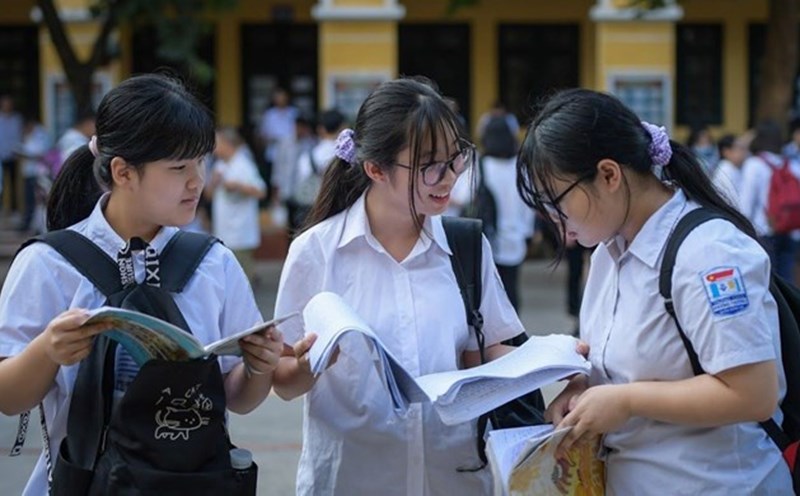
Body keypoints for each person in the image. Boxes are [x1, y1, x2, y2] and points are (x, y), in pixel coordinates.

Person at [0, 74, 284, 496]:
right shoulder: (48, 263)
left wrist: (260, 366)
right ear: (123, 172)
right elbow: (8, 398)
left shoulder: (214, 262)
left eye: (201, 162)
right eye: (178, 168)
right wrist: (47, 351)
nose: (197, 181)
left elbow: (237, 398)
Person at [516, 88, 792, 494]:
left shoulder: (709, 254)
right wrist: (583, 388)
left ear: (609, 175)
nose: (553, 219)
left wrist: (626, 401)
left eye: (555, 201)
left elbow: (753, 394)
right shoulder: (609, 251)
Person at [271, 77, 525, 495]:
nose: (449, 177)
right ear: (375, 169)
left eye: (456, 158)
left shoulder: (465, 247)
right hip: (352, 481)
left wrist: (551, 364)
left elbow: (484, 352)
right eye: (430, 165)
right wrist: (304, 367)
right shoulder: (317, 252)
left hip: (451, 478)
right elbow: (283, 380)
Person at [477, 110, 533, 311]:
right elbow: (528, 203)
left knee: (489, 293)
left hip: (488, 238)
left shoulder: (482, 166)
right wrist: (528, 232)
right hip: (516, 237)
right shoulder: (520, 167)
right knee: (511, 290)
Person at [739, 120, 800, 281]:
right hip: (788, 229)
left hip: (763, 230)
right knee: (786, 280)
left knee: (768, 282)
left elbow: (746, 204)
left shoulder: (754, 164)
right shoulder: (790, 163)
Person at [207, 126, 267, 284]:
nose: (213, 148)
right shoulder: (219, 165)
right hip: (224, 229)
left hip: (240, 231)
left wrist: (238, 186)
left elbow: (261, 192)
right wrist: (213, 182)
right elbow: (208, 196)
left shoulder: (243, 164)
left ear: (228, 144)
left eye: (217, 143)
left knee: (242, 277)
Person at [288, 108, 346, 230]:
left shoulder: (308, 157)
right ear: (342, 128)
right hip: (342, 211)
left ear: (321, 129)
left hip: (313, 211)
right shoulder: (348, 156)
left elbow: (300, 183)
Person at [14, 117, 51, 233]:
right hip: (28, 172)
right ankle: (30, 224)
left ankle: (38, 226)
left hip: (38, 173)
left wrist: (26, 154)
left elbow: (41, 154)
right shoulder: (27, 136)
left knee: (37, 201)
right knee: (29, 199)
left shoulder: (40, 135)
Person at [711, 133, 747, 211]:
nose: (744, 152)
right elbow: (735, 202)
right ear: (726, 152)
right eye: (739, 148)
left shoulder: (734, 168)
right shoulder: (725, 170)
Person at [0, 94, 23, 212]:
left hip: (14, 154)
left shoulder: (17, 119)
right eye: (5, 104)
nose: (7, 106)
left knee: (14, 182)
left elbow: (20, 135)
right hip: (1, 154)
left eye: (9, 104)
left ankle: (14, 208)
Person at [56, 111, 96, 175]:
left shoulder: (69, 135)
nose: (95, 129)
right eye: (94, 125)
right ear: (87, 123)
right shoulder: (76, 141)